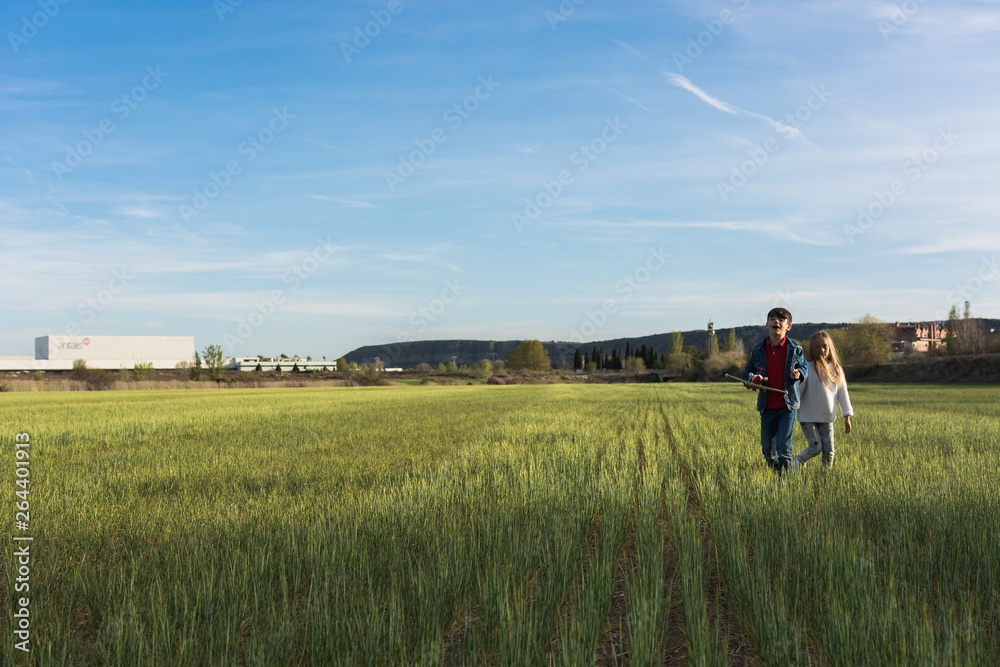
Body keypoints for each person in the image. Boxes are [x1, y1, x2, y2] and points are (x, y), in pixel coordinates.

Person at [742, 307, 808, 476]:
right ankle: (774, 474)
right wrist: (750, 380)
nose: (776, 322)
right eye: (772, 319)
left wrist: (798, 374)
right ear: (767, 324)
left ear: (788, 326)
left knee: (784, 449)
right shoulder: (758, 349)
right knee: (767, 450)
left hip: (788, 406)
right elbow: (749, 369)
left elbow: (804, 366)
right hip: (767, 406)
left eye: (781, 319)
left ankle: (784, 484)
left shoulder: (795, 349)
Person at [794, 331, 853, 468]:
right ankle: (799, 460)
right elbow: (798, 390)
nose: (821, 350)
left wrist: (847, 416)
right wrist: (792, 406)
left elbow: (842, 393)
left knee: (829, 450)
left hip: (827, 417)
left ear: (830, 347)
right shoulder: (807, 368)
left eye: (824, 346)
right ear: (812, 349)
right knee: (815, 447)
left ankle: (825, 478)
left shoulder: (836, 369)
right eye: (817, 347)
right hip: (808, 418)